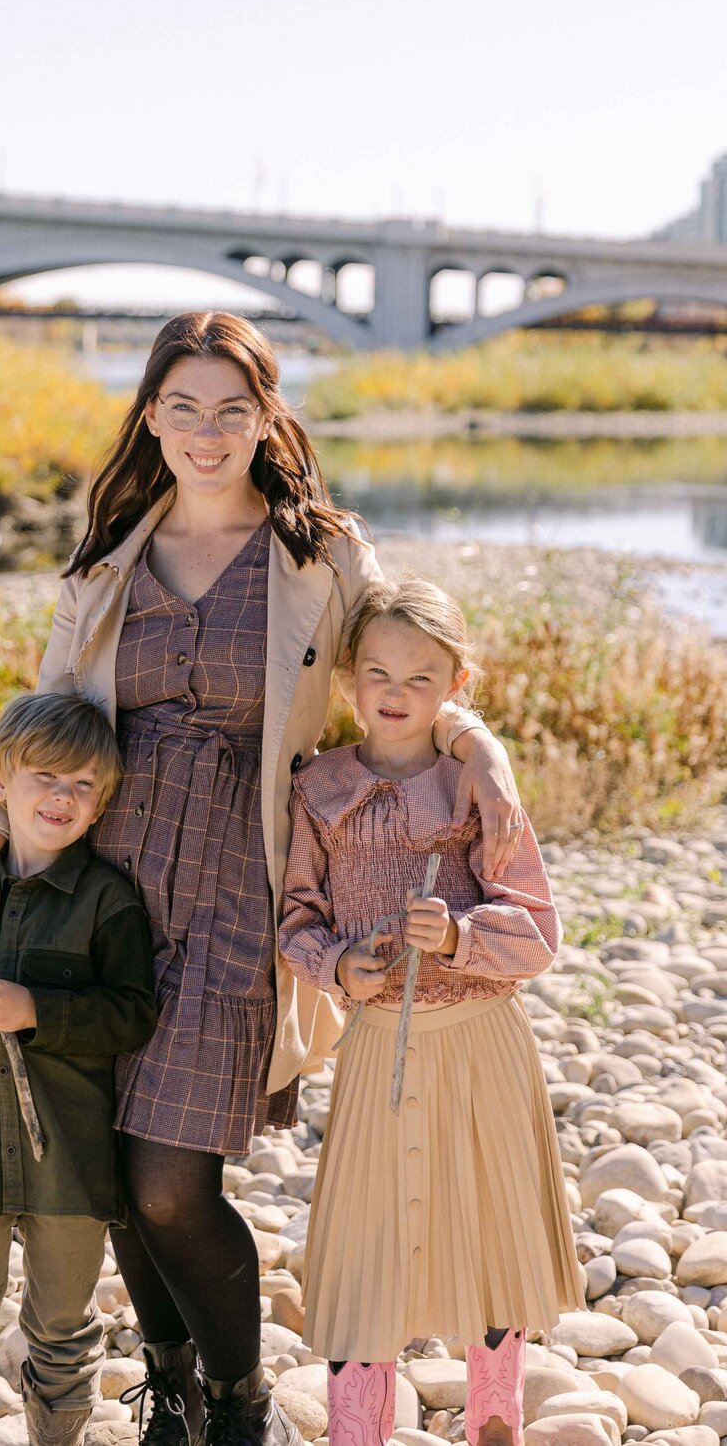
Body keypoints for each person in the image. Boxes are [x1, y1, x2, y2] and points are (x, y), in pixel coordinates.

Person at [0, 312, 526, 1446]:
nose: (206, 434)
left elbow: (401, 667)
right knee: (110, 1167)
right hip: (99, 896)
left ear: (267, 418)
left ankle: (241, 1404)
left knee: (169, 1181)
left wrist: (474, 743)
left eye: (232, 410)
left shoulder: (323, 557)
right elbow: (37, 739)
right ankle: (172, 1389)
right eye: (183, 408)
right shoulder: (107, 563)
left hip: (238, 894)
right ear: (150, 415)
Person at [278, 578, 585, 1446]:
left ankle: (496, 1424)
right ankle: (356, 1434)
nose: (395, 693)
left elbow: (538, 932)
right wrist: (341, 967)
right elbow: (295, 919)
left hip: (483, 1042)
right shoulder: (317, 791)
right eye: (376, 672)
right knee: (365, 1254)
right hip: (380, 1047)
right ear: (346, 680)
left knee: (487, 1241)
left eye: (421, 678)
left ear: (456, 685)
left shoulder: (477, 786)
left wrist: (455, 936)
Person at [0, 693, 157, 1446]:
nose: (62, 796)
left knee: (61, 1330)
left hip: (72, 1161)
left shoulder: (107, 901)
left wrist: (37, 1009)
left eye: (83, 785)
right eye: (46, 775)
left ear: (102, 800)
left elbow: (133, 1013)